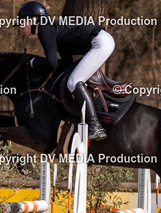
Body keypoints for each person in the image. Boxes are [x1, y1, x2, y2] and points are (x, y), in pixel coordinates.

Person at [17, 1, 112, 141]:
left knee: (74, 82)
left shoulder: (44, 29)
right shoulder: (51, 29)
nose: (20, 27)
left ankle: (95, 126)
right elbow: (65, 61)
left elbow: (51, 63)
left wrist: (31, 62)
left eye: (22, 22)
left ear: (34, 19)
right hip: (101, 41)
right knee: (71, 78)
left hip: (100, 43)